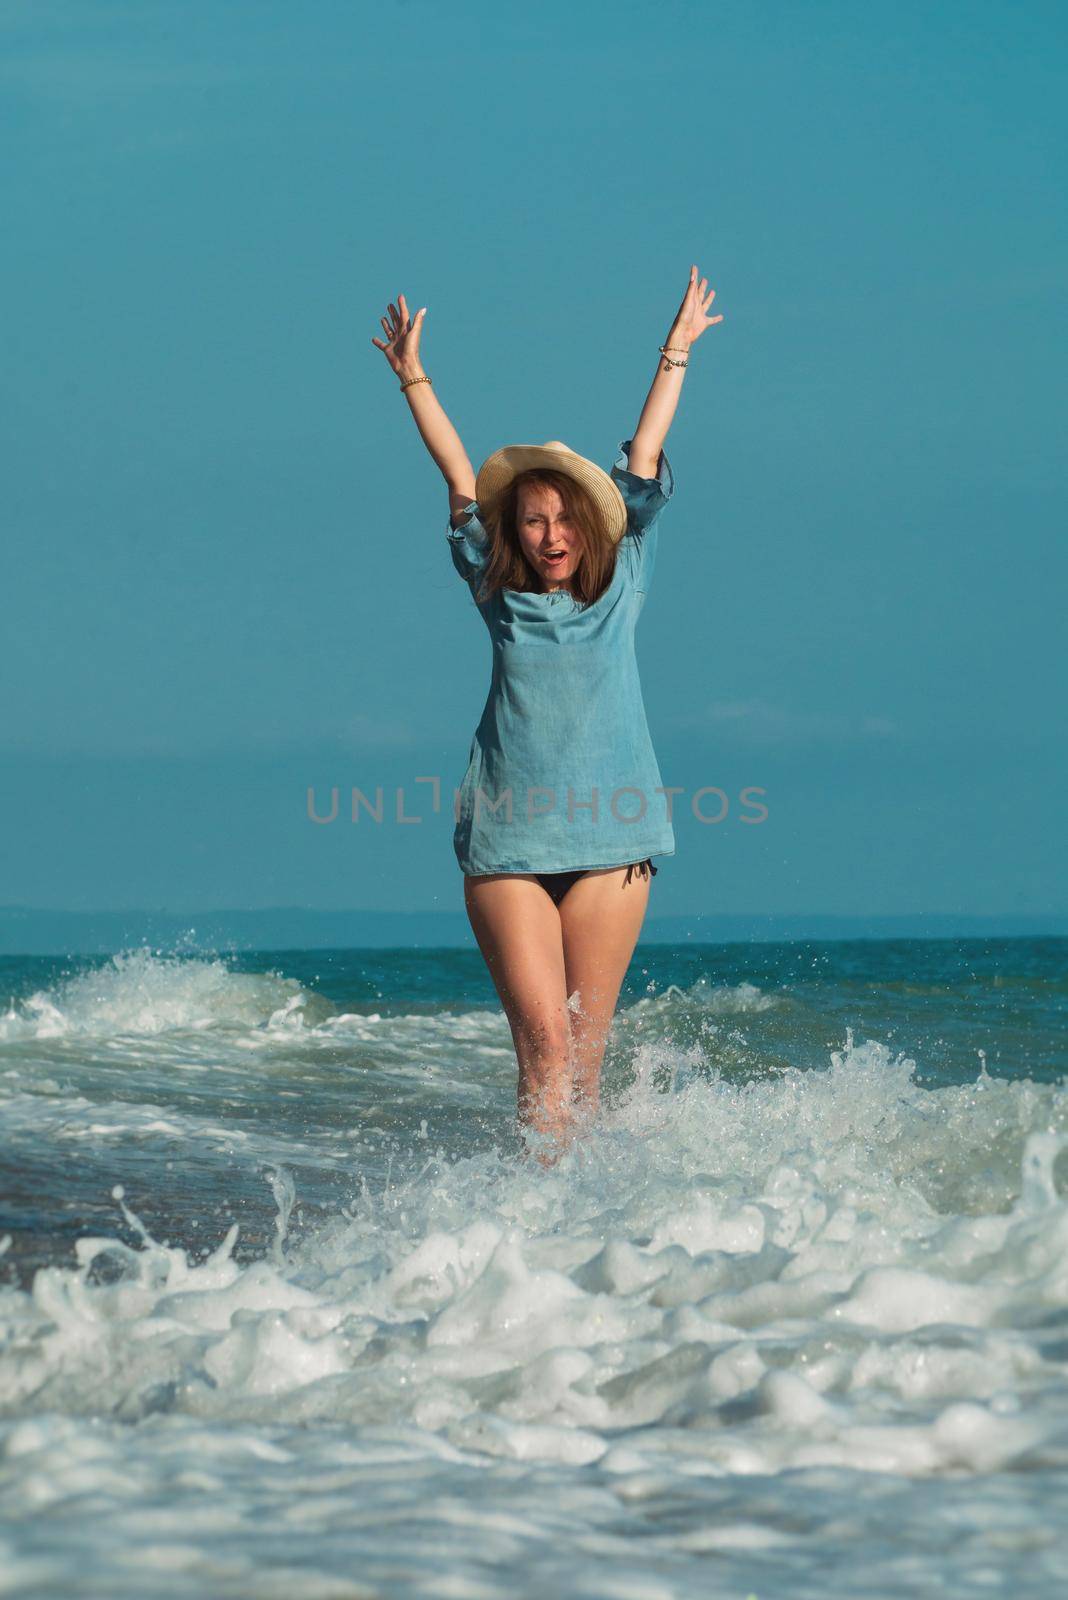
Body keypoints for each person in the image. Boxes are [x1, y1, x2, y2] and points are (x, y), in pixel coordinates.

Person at [372, 266, 723, 1161]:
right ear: (513, 529)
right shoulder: (497, 592)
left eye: (567, 519)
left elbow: (642, 455)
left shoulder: (624, 580)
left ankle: (581, 1240)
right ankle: (533, 1221)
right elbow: (457, 471)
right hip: (507, 850)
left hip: (613, 845)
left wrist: (674, 351)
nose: (553, 535)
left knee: (588, 1068)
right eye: (533, 520)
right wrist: (414, 376)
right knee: (543, 1057)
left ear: (593, 528)